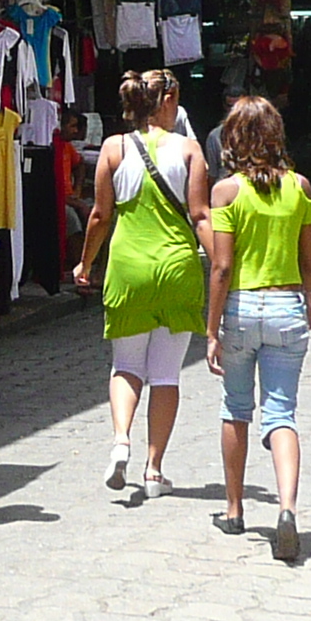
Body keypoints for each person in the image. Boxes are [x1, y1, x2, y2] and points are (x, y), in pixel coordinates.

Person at [73, 68, 210, 505]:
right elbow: (201, 215)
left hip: (127, 266)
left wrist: (85, 263)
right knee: (166, 374)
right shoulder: (190, 151)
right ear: (168, 100)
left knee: (126, 366)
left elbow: (99, 215)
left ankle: (120, 442)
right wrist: (226, 263)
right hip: (176, 268)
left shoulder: (113, 148)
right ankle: (154, 470)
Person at [203, 96, 311, 560]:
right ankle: (287, 508)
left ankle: (234, 509)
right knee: (282, 413)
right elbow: (309, 262)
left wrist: (211, 329)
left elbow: (222, 266)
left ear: (233, 139)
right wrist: (309, 303)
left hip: (243, 308)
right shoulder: (301, 188)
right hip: (289, 306)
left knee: (236, 407)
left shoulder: (226, 192)